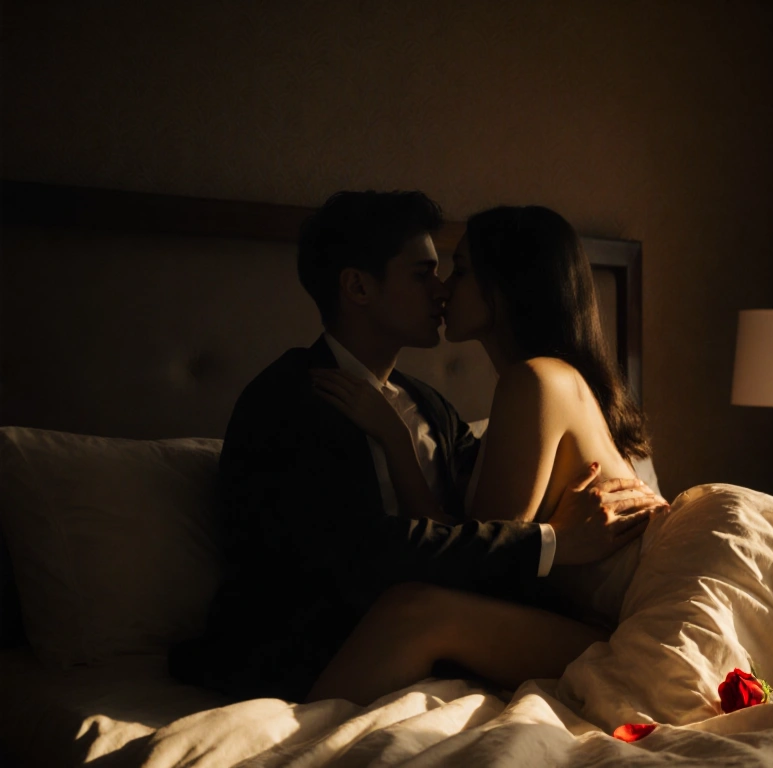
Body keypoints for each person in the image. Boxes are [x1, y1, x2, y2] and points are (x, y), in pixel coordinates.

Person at [168, 191, 666, 705]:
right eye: (422, 274)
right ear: (358, 286)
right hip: (317, 642)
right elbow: (356, 551)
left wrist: (401, 445)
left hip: (491, 624)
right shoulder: (290, 399)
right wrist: (551, 542)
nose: (441, 291)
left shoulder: (432, 407)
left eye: (451, 271)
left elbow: (475, 534)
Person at [307, 204, 654, 703]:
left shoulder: (533, 379)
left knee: (417, 610)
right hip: (581, 623)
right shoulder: (540, 384)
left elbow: (483, 565)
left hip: (618, 634)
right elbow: (475, 544)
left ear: (508, 284)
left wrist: (397, 441)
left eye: (461, 270)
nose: (445, 288)